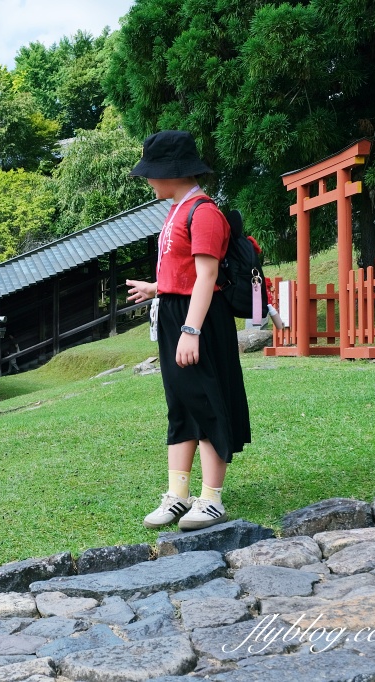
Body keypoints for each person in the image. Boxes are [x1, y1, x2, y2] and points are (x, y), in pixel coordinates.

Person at [125, 130, 251, 531]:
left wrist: (191, 329)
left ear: (172, 173)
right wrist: (157, 287)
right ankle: (178, 495)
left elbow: (207, 275)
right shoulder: (178, 208)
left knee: (208, 401)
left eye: (152, 172)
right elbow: (184, 273)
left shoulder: (204, 212)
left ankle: (211, 498)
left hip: (200, 320)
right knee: (181, 404)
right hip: (177, 311)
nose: (147, 180)